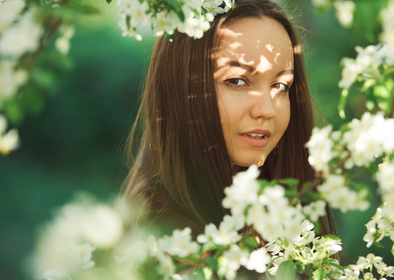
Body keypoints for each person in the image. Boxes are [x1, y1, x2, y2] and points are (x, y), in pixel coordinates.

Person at [124, 0, 335, 238]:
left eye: (281, 85)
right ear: (179, 88)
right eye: (236, 81)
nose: (267, 110)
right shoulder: (164, 247)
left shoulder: (280, 220)